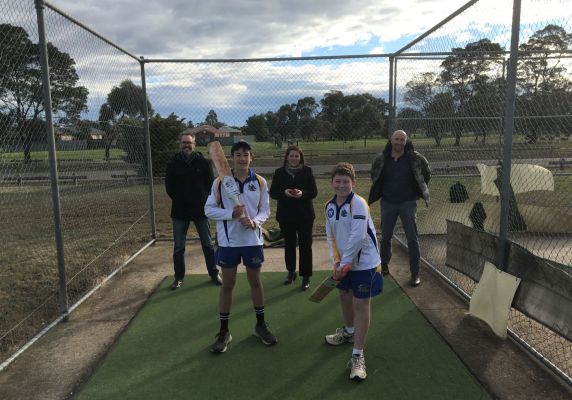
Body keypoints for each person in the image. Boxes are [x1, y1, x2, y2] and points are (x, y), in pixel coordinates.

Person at [204, 140, 277, 353]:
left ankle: (260, 325)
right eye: (238, 155)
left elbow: (265, 210)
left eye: (246, 154)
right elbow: (208, 210)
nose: (242, 158)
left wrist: (255, 222)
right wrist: (231, 214)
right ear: (232, 158)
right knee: (228, 284)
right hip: (229, 243)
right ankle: (224, 331)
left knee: (255, 282)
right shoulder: (220, 182)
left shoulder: (261, 182)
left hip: (253, 240)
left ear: (251, 157)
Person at [324, 162, 383, 382]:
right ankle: (349, 332)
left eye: (345, 182)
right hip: (344, 264)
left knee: (361, 304)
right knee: (343, 296)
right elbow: (330, 237)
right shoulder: (329, 206)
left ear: (353, 183)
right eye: (337, 181)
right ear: (331, 183)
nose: (341, 185)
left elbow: (358, 236)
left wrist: (345, 263)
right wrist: (336, 262)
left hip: (365, 263)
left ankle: (358, 356)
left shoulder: (359, 204)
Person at [368, 130, 431, 287]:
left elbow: (427, 173)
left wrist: (418, 191)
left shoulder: (415, 158)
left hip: (408, 204)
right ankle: (384, 266)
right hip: (388, 203)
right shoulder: (381, 158)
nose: (399, 142)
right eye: (396, 139)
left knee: (412, 239)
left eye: (402, 139)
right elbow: (374, 174)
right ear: (391, 140)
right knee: (385, 237)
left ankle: (415, 273)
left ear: (406, 141)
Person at [165, 133, 222, 290]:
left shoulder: (204, 162)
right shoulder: (173, 163)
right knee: (179, 247)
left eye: (189, 143)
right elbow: (169, 187)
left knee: (208, 244)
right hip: (179, 211)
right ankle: (178, 277)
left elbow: (211, 185)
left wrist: (201, 200)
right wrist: (180, 198)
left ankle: (214, 273)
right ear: (180, 144)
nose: (186, 145)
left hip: (200, 210)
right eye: (183, 143)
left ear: (194, 144)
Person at [269, 145, 318, 290]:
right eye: (291, 156)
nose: (294, 158)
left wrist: (302, 193)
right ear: (287, 157)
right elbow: (273, 193)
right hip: (286, 216)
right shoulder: (279, 173)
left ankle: (306, 276)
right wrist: (284, 192)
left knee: (305, 245)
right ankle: (291, 272)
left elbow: (314, 192)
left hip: (305, 216)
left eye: (297, 156)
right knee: (289, 245)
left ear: (300, 157)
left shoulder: (307, 171)